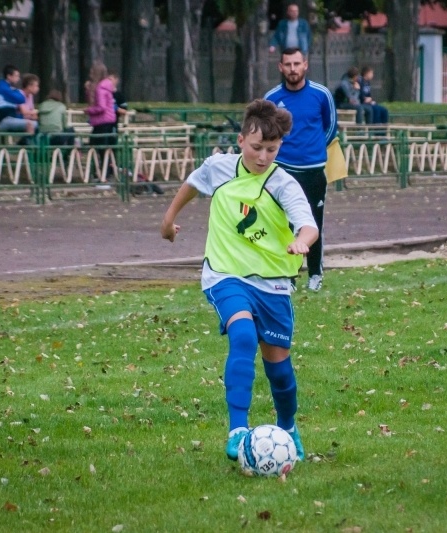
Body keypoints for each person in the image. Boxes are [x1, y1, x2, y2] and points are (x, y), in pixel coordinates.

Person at [160, 99, 319, 463]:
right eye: (256, 147)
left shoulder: (283, 183)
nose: (263, 157)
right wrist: (168, 221)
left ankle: (288, 426)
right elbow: (192, 184)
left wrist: (302, 241)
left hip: (273, 283)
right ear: (241, 139)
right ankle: (237, 430)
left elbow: (308, 224)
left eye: (272, 150)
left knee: (279, 369)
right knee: (243, 335)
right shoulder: (220, 167)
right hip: (224, 273)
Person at [265, 48, 337, 292]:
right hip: (283, 171)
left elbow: (330, 127)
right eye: (288, 64)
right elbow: (266, 134)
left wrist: (314, 150)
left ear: (305, 65)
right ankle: (289, 276)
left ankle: (315, 274)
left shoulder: (321, 94)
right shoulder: (272, 99)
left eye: (297, 64)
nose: (293, 69)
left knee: (313, 224)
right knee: (283, 224)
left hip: (314, 171)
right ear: (280, 67)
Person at [85, 62, 118, 181]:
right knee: (103, 148)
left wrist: (89, 110)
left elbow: (101, 107)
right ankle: (104, 172)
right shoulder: (106, 87)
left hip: (101, 121)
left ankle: (103, 174)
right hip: (108, 120)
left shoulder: (100, 88)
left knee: (98, 147)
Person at [0, 64, 37, 135]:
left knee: (33, 124)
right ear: (9, 76)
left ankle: (24, 144)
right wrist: (15, 91)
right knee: (33, 124)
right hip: (3, 121)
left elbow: (19, 97)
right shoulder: (2, 87)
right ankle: (27, 144)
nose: (18, 78)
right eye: (16, 76)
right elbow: (21, 98)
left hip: (10, 118)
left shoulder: (8, 87)